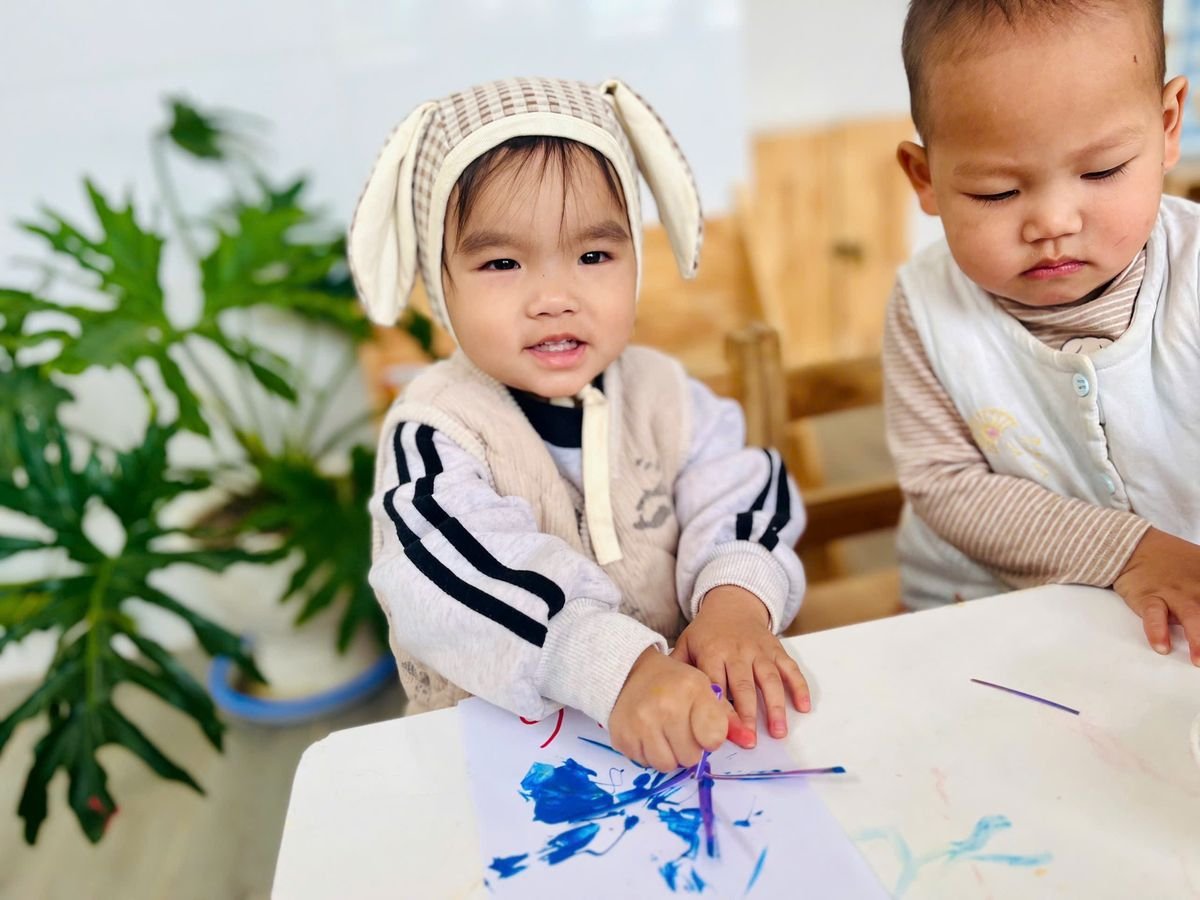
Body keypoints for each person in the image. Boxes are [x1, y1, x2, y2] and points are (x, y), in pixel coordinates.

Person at [348, 77, 810, 772]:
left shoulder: (665, 394)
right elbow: (452, 575)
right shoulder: (436, 431)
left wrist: (735, 603)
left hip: (687, 735)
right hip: (507, 762)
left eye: (594, 256)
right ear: (440, 283)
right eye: (502, 262)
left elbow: (745, 493)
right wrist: (619, 669)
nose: (555, 298)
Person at [886, 0, 1200, 663]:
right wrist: (1130, 551)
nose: (1054, 222)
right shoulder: (924, 303)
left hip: (1172, 621)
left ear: (1168, 126)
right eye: (997, 192)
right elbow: (944, 483)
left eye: (1102, 171)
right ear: (926, 178)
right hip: (975, 612)